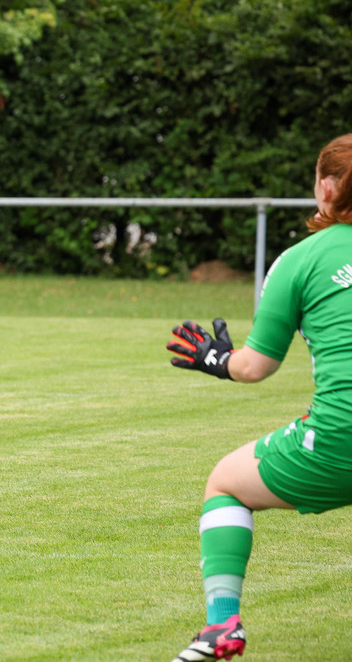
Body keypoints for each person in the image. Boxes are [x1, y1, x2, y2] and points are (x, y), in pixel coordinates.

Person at [166, 133, 352, 661]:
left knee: (226, 482)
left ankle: (221, 625)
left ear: (326, 187)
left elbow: (254, 367)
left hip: (340, 437)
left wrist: (214, 359)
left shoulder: (300, 259)